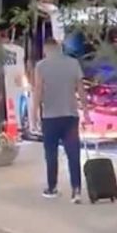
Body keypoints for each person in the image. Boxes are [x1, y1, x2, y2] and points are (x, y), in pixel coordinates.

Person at [31, 37, 86, 201]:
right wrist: (87, 112)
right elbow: (81, 89)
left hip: (50, 117)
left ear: (47, 49)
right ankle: (76, 190)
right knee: (73, 154)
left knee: (51, 154)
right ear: (59, 48)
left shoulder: (41, 66)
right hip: (70, 116)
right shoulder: (73, 63)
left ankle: (52, 187)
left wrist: (34, 114)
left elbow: (38, 91)